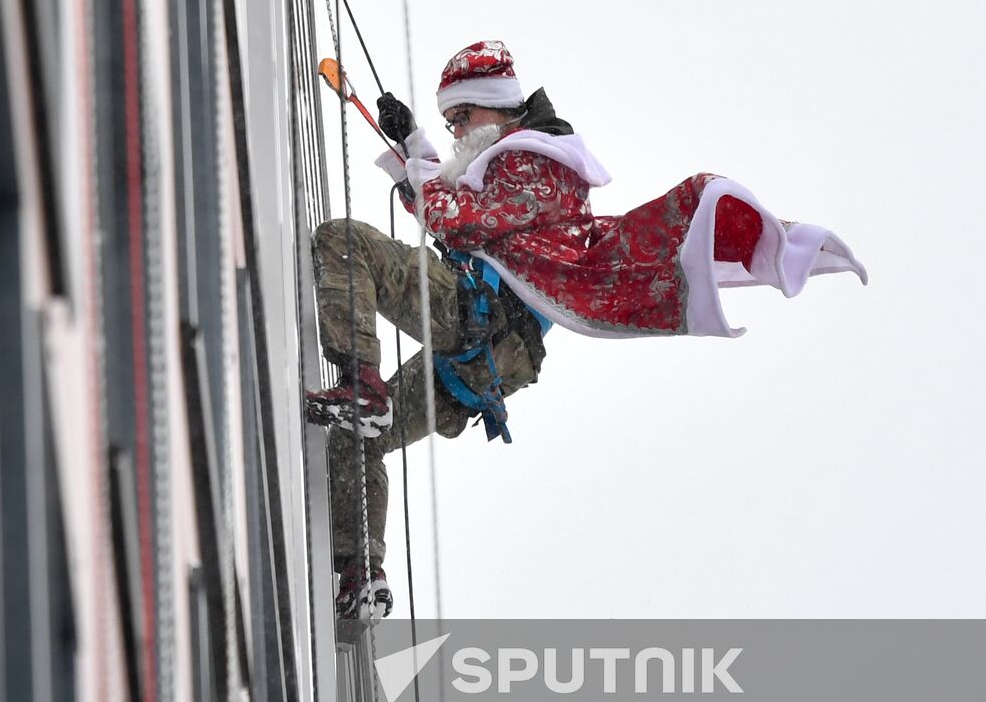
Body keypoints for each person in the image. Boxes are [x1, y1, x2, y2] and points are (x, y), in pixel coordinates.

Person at [306, 39, 867, 621]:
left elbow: (456, 218)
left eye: (461, 117)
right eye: (450, 122)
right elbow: (457, 199)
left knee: (342, 245)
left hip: (482, 320)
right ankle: (361, 571)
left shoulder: (539, 162)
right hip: (488, 356)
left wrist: (415, 160)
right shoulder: (508, 164)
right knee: (360, 433)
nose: (455, 130)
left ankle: (359, 380)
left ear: (495, 107)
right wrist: (415, 146)